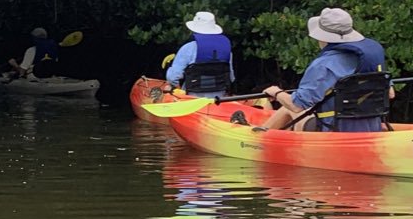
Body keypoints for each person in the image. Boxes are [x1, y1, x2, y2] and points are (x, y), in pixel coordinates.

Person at [257, 8, 391, 132]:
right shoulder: (373, 55)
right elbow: (390, 93)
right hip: (371, 127)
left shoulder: (324, 65)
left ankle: (257, 141)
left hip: (333, 130)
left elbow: (296, 105)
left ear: (322, 36)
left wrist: (276, 92)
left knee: (287, 108)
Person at [165, 11, 234, 97]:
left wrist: (174, 86)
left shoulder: (188, 48)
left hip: (192, 97)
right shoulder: (226, 49)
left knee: (168, 87)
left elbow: (172, 77)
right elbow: (231, 77)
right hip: (219, 97)